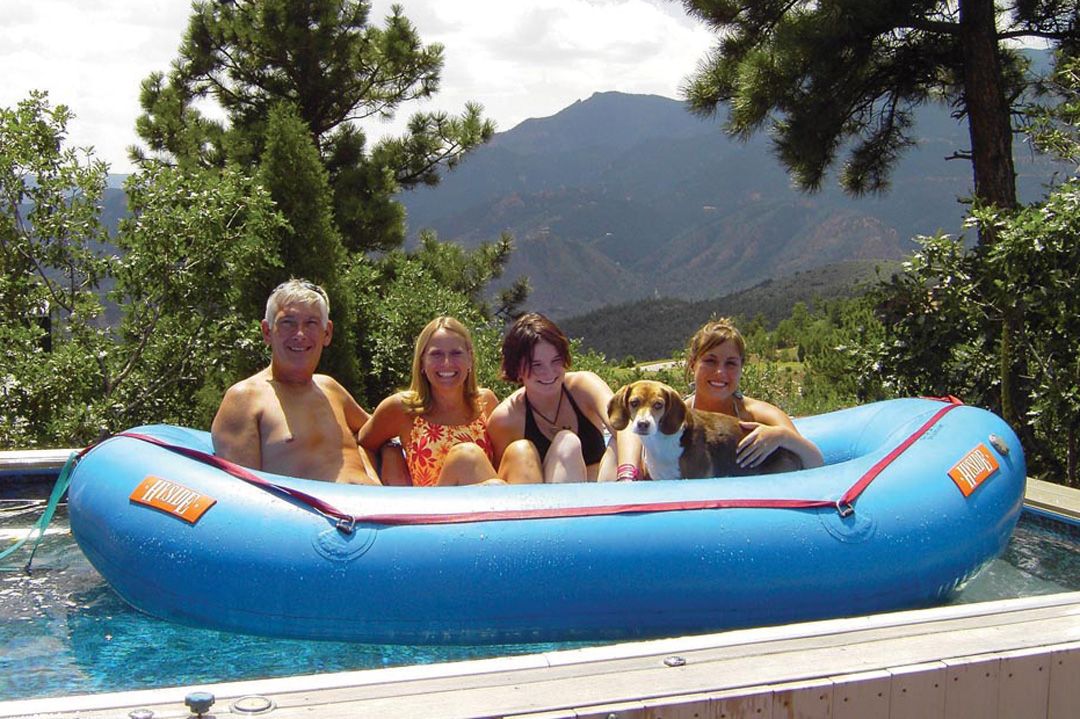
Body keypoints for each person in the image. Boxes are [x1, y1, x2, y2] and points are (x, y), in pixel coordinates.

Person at [211, 279, 379, 484]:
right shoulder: (246, 398)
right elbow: (242, 495)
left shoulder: (330, 388)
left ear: (327, 333)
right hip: (313, 514)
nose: (300, 334)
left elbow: (378, 435)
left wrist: (382, 473)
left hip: (375, 508)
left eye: (311, 323)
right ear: (267, 332)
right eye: (288, 323)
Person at [359, 316, 531, 486]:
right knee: (466, 457)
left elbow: (499, 464)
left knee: (523, 451)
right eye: (436, 354)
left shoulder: (485, 402)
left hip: (487, 501)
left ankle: (535, 511)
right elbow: (363, 445)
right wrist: (375, 481)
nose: (447, 363)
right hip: (437, 509)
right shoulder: (403, 408)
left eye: (456, 353)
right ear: (422, 362)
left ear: (469, 358)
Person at [487, 313, 626, 483]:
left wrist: (628, 473)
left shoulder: (584, 386)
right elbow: (504, 477)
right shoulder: (506, 419)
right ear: (517, 368)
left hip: (603, 490)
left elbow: (624, 425)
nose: (549, 372)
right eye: (536, 365)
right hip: (549, 500)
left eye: (556, 361)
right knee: (567, 442)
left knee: (623, 441)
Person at [684, 318, 824, 469]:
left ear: (741, 368)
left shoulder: (760, 415)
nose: (720, 372)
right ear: (693, 364)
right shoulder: (676, 416)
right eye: (710, 361)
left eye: (730, 363)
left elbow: (816, 462)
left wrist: (782, 436)